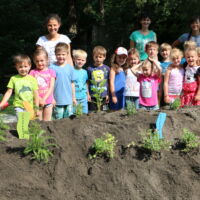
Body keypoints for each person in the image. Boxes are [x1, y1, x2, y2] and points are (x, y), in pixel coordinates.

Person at [49, 42, 76, 119]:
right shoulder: (52, 68)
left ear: (67, 54)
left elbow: (72, 83)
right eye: (58, 54)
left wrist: (73, 97)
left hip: (69, 99)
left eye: (63, 54)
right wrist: (52, 98)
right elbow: (50, 85)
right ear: (55, 54)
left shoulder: (70, 68)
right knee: (59, 119)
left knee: (69, 119)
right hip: (57, 100)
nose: (61, 56)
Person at [30, 48, 56, 121]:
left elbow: (51, 87)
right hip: (37, 103)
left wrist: (45, 99)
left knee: (47, 122)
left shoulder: (51, 72)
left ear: (47, 60)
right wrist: (39, 99)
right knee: (38, 123)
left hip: (48, 101)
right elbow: (31, 88)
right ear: (34, 61)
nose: (39, 63)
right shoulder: (32, 72)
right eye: (37, 61)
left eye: (42, 60)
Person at [87, 46, 110, 111]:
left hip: (103, 95)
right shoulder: (90, 68)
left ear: (104, 57)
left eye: (100, 57)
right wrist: (88, 94)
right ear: (93, 57)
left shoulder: (107, 68)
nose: (98, 59)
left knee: (103, 113)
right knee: (92, 113)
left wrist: (108, 94)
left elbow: (108, 82)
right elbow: (87, 82)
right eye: (96, 57)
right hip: (93, 95)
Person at [72, 49, 89, 114]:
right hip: (74, 97)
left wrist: (88, 94)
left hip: (83, 97)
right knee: (74, 114)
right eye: (78, 59)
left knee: (84, 113)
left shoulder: (85, 72)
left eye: (82, 60)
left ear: (85, 61)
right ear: (74, 59)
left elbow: (86, 83)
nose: (80, 62)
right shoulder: (71, 70)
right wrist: (72, 97)